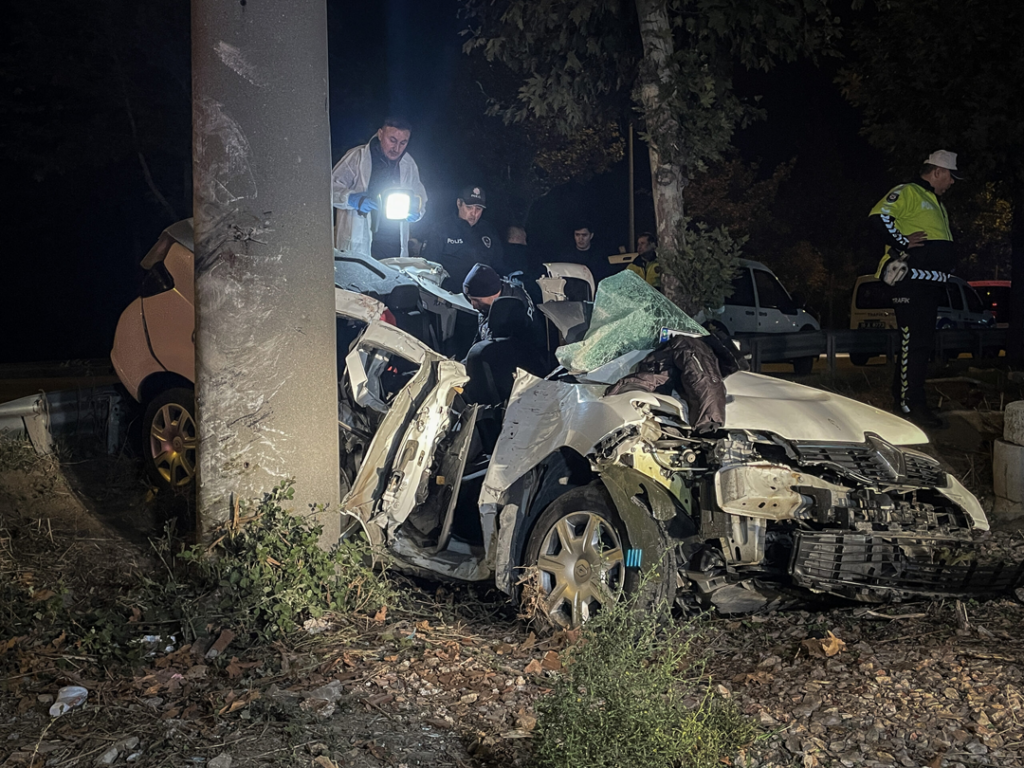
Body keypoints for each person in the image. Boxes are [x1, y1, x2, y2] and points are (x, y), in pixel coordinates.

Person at [868, 149, 962, 428]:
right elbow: (878, 216)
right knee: (914, 343)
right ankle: (911, 405)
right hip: (911, 280)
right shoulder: (908, 191)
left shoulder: (935, 201)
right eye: (951, 176)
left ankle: (906, 400)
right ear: (937, 172)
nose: (953, 182)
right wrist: (902, 242)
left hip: (928, 282)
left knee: (920, 344)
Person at [331, 117, 426, 260]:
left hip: (394, 245)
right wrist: (350, 199)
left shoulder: (408, 164)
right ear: (380, 134)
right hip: (360, 242)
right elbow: (329, 188)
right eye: (392, 140)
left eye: (403, 143)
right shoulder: (357, 157)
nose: (397, 148)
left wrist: (416, 211)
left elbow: (420, 196)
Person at [421, 186, 504, 292]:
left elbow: (498, 265)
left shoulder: (488, 231)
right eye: (469, 207)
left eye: (478, 209)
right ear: (459, 203)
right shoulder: (441, 229)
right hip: (449, 297)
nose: (474, 214)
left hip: (481, 297)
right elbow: (428, 266)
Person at [461, 263, 539, 347]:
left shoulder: (510, 313)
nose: (474, 306)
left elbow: (498, 351)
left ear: (493, 294)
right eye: (470, 299)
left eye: (477, 300)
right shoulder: (491, 300)